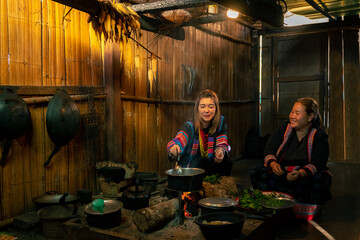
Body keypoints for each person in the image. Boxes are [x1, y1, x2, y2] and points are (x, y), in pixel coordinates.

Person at [251, 97, 332, 204]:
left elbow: (318, 163)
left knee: (322, 179)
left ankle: (298, 201)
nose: (292, 116)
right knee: (258, 173)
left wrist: (300, 173)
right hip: (282, 174)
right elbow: (269, 150)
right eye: (292, 112)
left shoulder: (318, 136)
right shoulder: (283, 129)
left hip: (303, 176)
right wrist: (274, 165)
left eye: (297, 113)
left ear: (310, 117)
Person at [167, 89, 232, 176]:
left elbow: (222, 142)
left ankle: (217, 185)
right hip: (193, 170)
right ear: (197, 109)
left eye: (211, 106)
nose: (206, 110)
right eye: (202, 106)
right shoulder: (190, 126)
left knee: (227, 161)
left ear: (216, 109)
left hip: (212, 167)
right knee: (199, 162)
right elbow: (179, 140)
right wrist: (173, 148)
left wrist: (220, 151)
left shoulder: (220, 123)